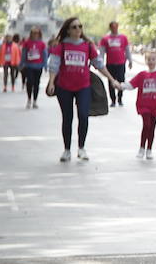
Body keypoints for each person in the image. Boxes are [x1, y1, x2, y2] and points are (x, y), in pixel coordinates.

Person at [45, 16, 126, 162]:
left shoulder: (87, 46)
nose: (78, 30)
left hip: (83, 86)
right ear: (68, 30)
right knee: (67, 118)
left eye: (80, 26)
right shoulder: (61, 46)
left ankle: (81, 148)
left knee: (83, 115)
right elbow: (54, 65)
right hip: (64, 87)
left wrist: (112, 79)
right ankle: (67, 150)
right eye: (74, 27)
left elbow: (99, 64)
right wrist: (51, 82)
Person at [127, 49, 156, 159]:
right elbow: (131, 85)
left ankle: (149, 149)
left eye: (153, 59)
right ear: (145, 60)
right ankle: (141, 148)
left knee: (152, 127)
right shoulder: (142, 75)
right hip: (144, 105)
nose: (151, 61)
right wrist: (119, 85)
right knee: (146, 125)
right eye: (149, 59)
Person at [99, 21, 130, 106]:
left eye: (116, 26)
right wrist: (100, 63)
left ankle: (120, 98)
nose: (114, 28)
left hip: (121, 64)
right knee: (111, 81)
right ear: (110, 28)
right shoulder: (105, 39)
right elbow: (101, 52)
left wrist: (130, 61)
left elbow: (127, 50)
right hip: (110, 64)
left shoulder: (123, 38)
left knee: (121, 80)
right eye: (113, 27)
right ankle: (113, 100)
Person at [20, 27, 46, 108]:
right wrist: (21, 63)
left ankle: (35, 100)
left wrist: (45, 65)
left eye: (37, 33)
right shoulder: (27, 43)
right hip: (29, 66)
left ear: (39, 34)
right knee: (30, 82)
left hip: (38, 66)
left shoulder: (42, 43)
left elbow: (44, 54)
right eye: (34, 33)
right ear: (31, 34)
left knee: (36, 83)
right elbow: (24, 54)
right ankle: (29, 99)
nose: (35, 35)